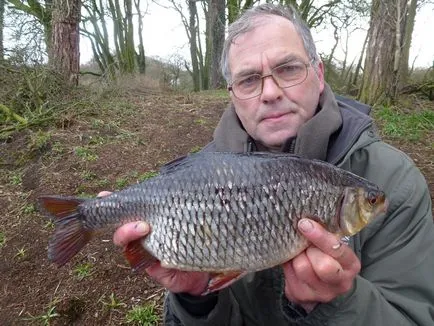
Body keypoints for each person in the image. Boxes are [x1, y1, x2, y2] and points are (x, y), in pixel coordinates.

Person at [111, 3, 434, 325]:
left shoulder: (396, 180)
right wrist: (196, 299)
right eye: (249, 79)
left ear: (318, 75)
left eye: (288, 69)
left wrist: (339, 303)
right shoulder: (202, 176)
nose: (270, 92)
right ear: (232, 94)